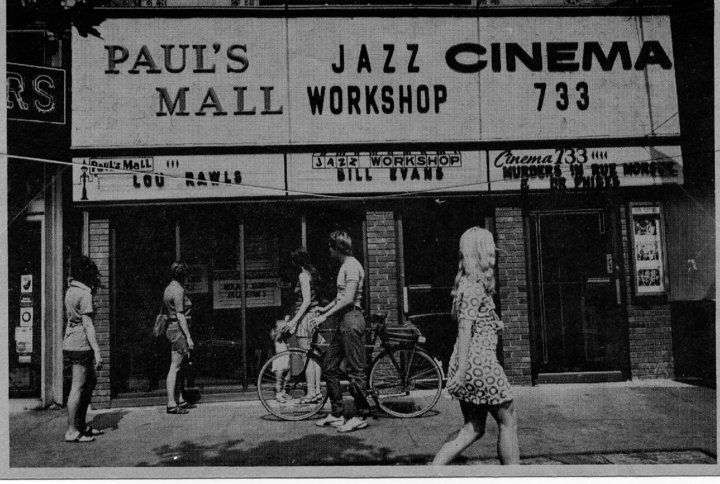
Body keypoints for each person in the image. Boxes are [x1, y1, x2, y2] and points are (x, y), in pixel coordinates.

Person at [432, 227, 519, 465]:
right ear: (479, 252)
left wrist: (491, 323)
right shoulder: (474, 286)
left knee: (474, 427)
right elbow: (463, 327)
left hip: (468, 362)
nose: (494, 253)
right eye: (490, 248)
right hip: (479, 362)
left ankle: (433, 471)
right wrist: (460, 373)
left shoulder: (467, 283)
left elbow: (457, 316)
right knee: (508, 418)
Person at [311, 231, 370, 432]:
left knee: (355, 370)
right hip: (344, 321)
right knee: (329, 366)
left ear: (337, 248)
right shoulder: (345, 266)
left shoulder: (352, 266)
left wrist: (323, 317)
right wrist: (324, 309)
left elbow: (348, 298)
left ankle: (361, 414)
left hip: (352, 319)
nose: (328, 250)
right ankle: (337, 414)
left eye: (330, 247)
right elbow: (339, 298)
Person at [63, 255, 103, 443]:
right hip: (81, 344)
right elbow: (88, 325)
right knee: (78, 387)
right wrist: (97, 351)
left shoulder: (71, 290)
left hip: (70, 341)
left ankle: (81, 424)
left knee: (89, 382)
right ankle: (72, 430)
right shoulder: (84, 294)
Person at [281, 247, 324, 404]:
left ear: (296, 262)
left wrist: (294, 321)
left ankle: (311, 393)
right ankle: (317, 391)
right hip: (313, 316)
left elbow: (305, 301)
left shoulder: (302, 276)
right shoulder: (310, 274)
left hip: (305, 318)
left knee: (307, 356)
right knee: (314, 357)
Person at [163, 261, 196, 414]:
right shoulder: (178, 290)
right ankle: (171, 402)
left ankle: (180, 399)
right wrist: (188, 336)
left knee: (179, 367)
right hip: (178, 330)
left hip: (173, 328)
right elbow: (180, 314)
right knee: (175, 367)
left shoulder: (169, 288)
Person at [271, 317, 292, 403]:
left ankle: (284, 392)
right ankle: (278, 394)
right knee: (279, 380)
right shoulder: (277, 339)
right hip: (279, 362)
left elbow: (289, 332)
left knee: (287, 379)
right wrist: (286, 322)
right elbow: (281, 333)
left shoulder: (284, 340)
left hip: (286, 362)